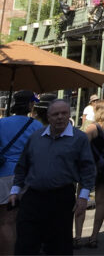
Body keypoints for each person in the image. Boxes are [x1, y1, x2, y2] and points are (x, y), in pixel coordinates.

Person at [11, 98, 95, 255]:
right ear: (48, 117)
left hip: (61, 197)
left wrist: (83, 197)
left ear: (69, 115)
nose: (60, 117)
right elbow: (23, 165)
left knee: (58, 245)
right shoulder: (36, 137)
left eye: (64, 113)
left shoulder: (79, 138)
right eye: (56, 114)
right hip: (33, 196)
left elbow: (88, 169)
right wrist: (15, 190)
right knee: (25, 243)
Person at [0, 90, 44, 253]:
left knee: (4, 220)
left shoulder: (2, 123)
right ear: (30, 105)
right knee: (15, 220)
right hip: (24, 176)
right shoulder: (36, 126)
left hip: (2, 174)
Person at [74, 99, 104, 249]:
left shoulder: (93, 127)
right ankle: (94, 237)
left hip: (90, 168)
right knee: (100, 202)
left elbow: (81, 145)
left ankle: (78, 237)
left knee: (82, 199)